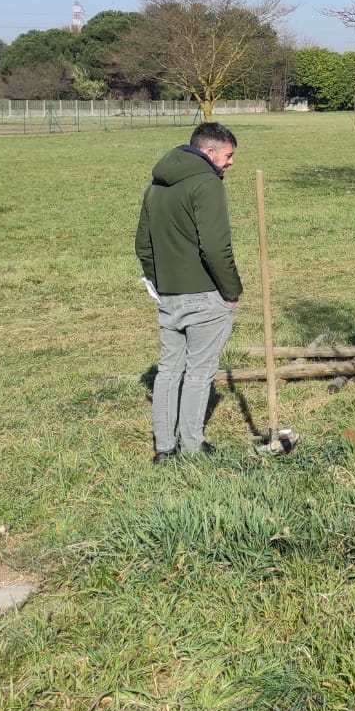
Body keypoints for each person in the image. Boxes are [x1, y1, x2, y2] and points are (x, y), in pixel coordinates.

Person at [135, 121, 243, 463]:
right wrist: (231, 291)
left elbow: (142, 245)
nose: (230, 163)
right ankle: (193, 447)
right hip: (205, 295)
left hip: (169, 295)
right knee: (199, 372)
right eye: (228, 155)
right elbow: (214, 246)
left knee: (168, 370)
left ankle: (164, 449)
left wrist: (160, 284)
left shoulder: (156, 186)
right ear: (208, 152)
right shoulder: (207, 184)